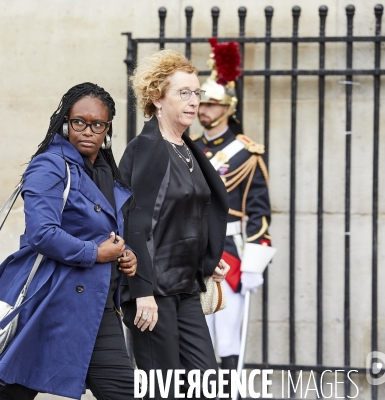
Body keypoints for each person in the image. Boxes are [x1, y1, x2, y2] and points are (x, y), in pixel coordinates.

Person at [0, 82, 139, 400]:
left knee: (123, 392)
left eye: (97, 124)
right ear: (65, 121)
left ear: (107, 128)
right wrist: (95, 253)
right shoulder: (50, 165)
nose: (87, 131)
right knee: (14, 392)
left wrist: (126, 253)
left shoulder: (106, 172)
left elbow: (107, 230)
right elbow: (42, 233)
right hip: (50, 301)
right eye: (79, 121)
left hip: (97, 306)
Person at [119, 49, 231, 399]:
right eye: (183, 93)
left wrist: (208, 259)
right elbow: (136, 224)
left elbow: (189, 213)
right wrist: (142, 292)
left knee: (207, 384)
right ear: (157, 97)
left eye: (196, 93)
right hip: (154, 294)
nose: (194, 101)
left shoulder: (187, 148)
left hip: (185, 288)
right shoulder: (149, 148)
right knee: (162, 390)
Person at [191, 39, 274, 390]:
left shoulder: (247, 153)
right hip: (191, 250)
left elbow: (259, 210)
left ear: (228, 107)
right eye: (201, 102)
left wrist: (255, 262)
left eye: (211, 103)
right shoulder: (189, 147)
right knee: (195, 338)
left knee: (227, 338)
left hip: (231, 252)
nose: (203, 109)